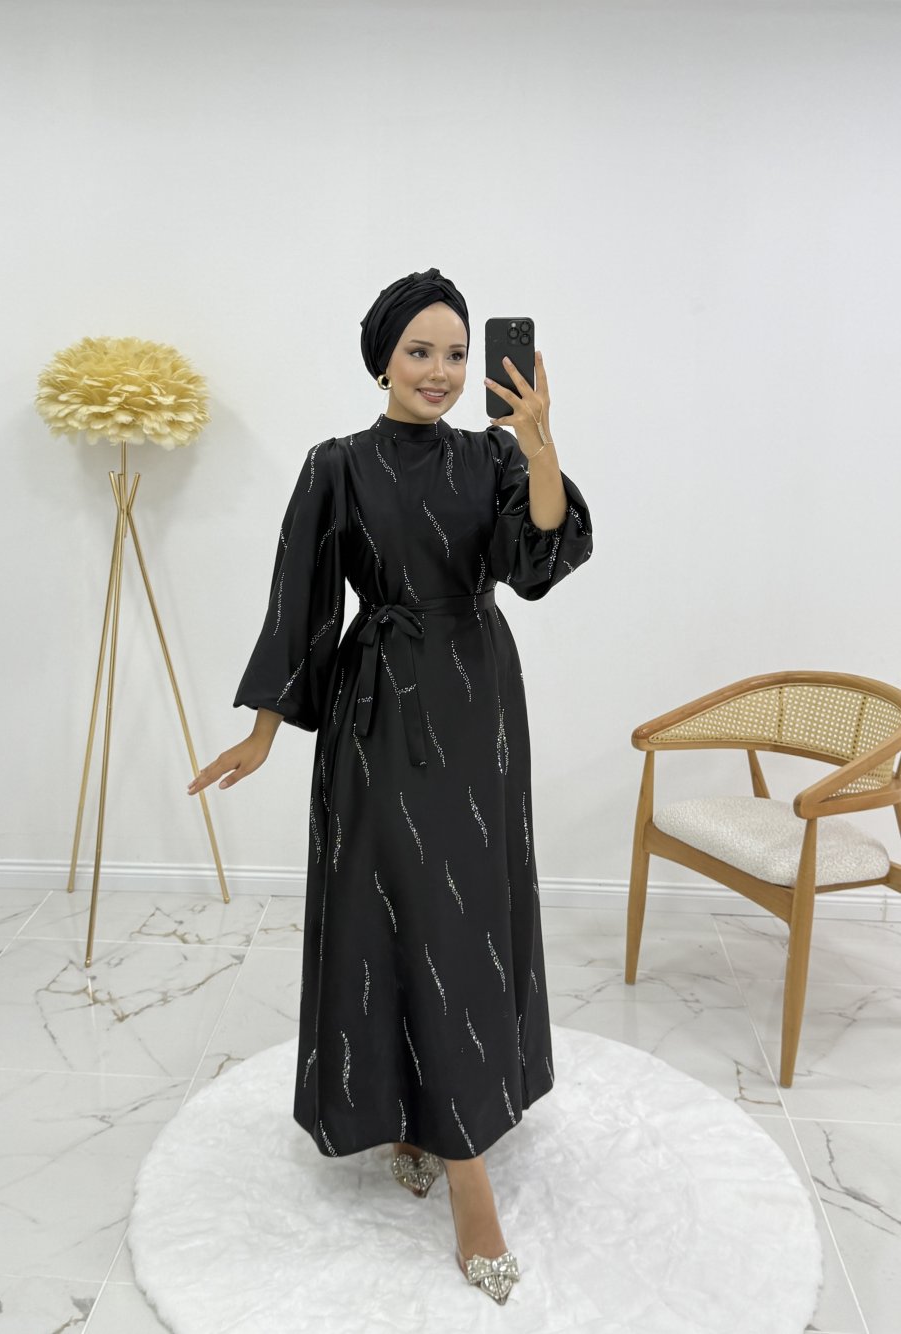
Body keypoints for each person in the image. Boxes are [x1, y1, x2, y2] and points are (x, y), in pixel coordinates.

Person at [187, 268, 593, 1305]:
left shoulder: (492, 455)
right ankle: (427, 1134)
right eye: (420, 351)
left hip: (477, 707)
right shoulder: (337, 465)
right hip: (376, 716)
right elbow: (300, 601)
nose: (441, 371)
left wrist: (540, 441)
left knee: (464, 920)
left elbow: (534, 562)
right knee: (394, 914)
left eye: (456, 353)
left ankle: (457, 1151)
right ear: (382, 360)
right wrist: (264, 730)